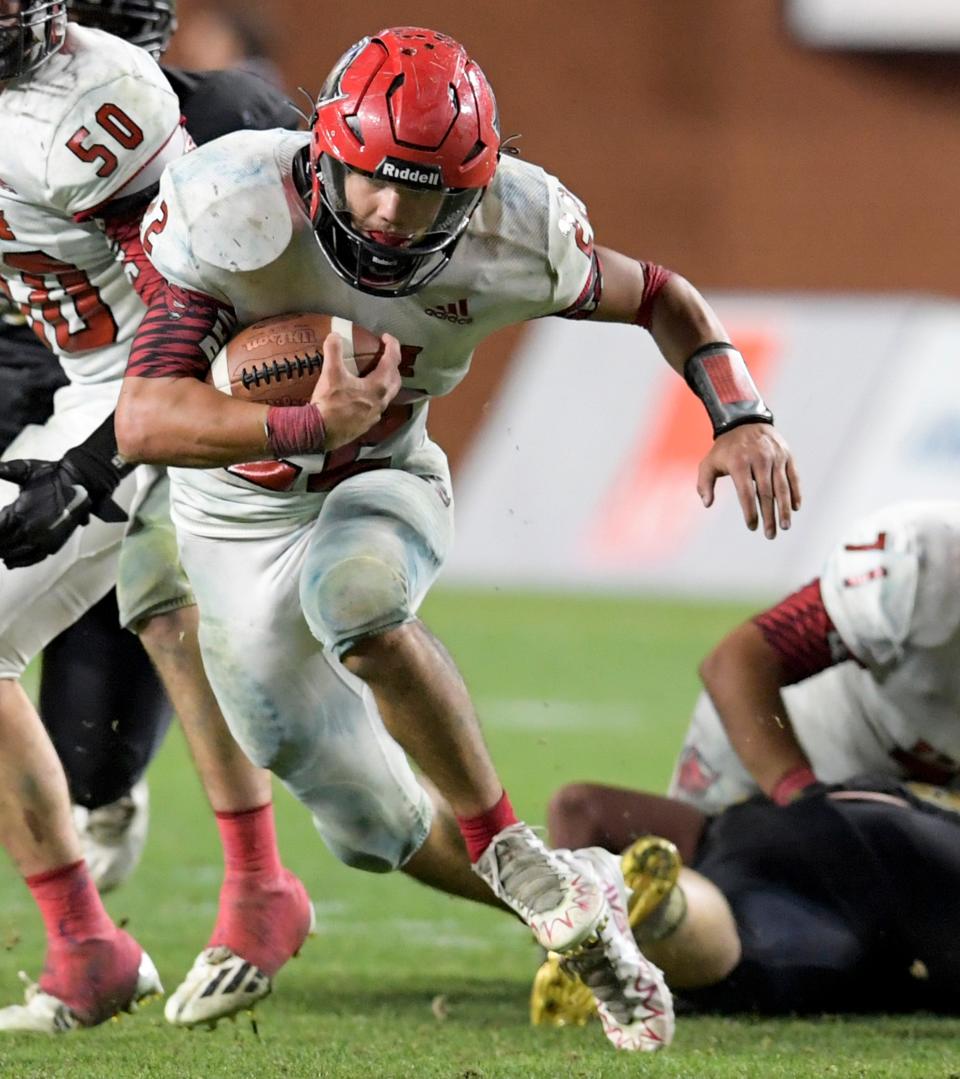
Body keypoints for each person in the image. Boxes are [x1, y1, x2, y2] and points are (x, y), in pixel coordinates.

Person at [109, 25, 799, 1051]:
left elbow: (662, 296)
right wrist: (306, 421)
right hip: (232, 512)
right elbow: (145, 419)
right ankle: (573, 891)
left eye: (425, 191)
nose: (391, 214)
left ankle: (512, 849)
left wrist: (741, 413)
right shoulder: (234, 206)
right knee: (370, 828)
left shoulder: (521, 231)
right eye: (371, 181)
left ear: (476, 190)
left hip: (381, 478)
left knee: (359, 605)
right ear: (322, 153)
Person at [0, 0, 312, 1033]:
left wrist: (96, 458)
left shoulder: (99, 100)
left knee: (183, 619)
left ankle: (192, 905)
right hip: (76, 387)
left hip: (154, 389)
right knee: (163, 617)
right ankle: (97, 937)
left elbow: (194, 293)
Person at [537, 777, 960, 1019]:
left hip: (761, 822)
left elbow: (579, 807)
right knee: (742, 948)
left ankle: (543, 889)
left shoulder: (897, 799)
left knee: (578, 813)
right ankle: (661, 911)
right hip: (827, 911)